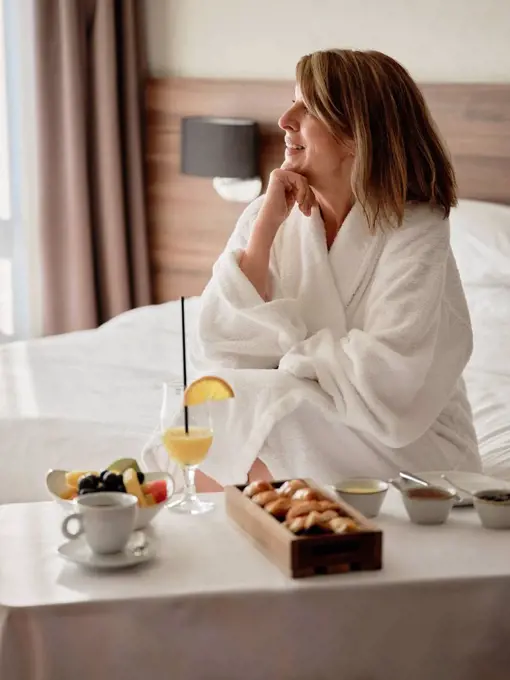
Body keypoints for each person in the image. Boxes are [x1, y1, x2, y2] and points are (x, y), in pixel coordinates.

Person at [191, 49, 481, 492]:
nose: (286, 119)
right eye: (292, 102)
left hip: (412, 441)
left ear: (356, 133)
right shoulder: (267, 215)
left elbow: (389, 373)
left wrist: (286, 368)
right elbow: (227, 348)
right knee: (213, 409)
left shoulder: (417, 228)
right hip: (315, 413)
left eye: (307, 107)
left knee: (260, 412)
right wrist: (265, 228)